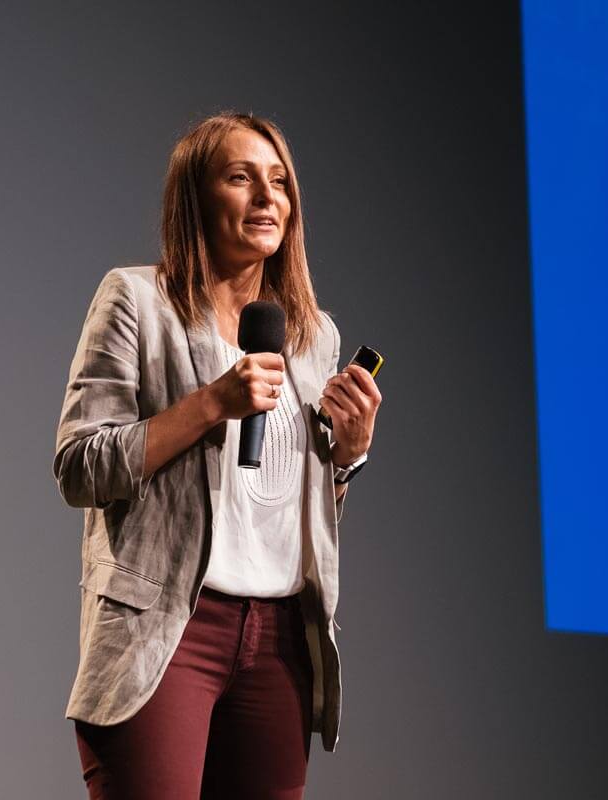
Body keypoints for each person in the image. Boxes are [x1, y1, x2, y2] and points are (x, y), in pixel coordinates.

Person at [52, 111, 381, 800]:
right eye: (241, 178)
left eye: (280, 183)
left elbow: (282, 503)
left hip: (281, 641)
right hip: (167, 631)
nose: (267, 198)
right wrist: (210, 404)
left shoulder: (313, 336)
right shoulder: (137, 301)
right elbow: (81, 467)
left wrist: (345, 459)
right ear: (196, 197)